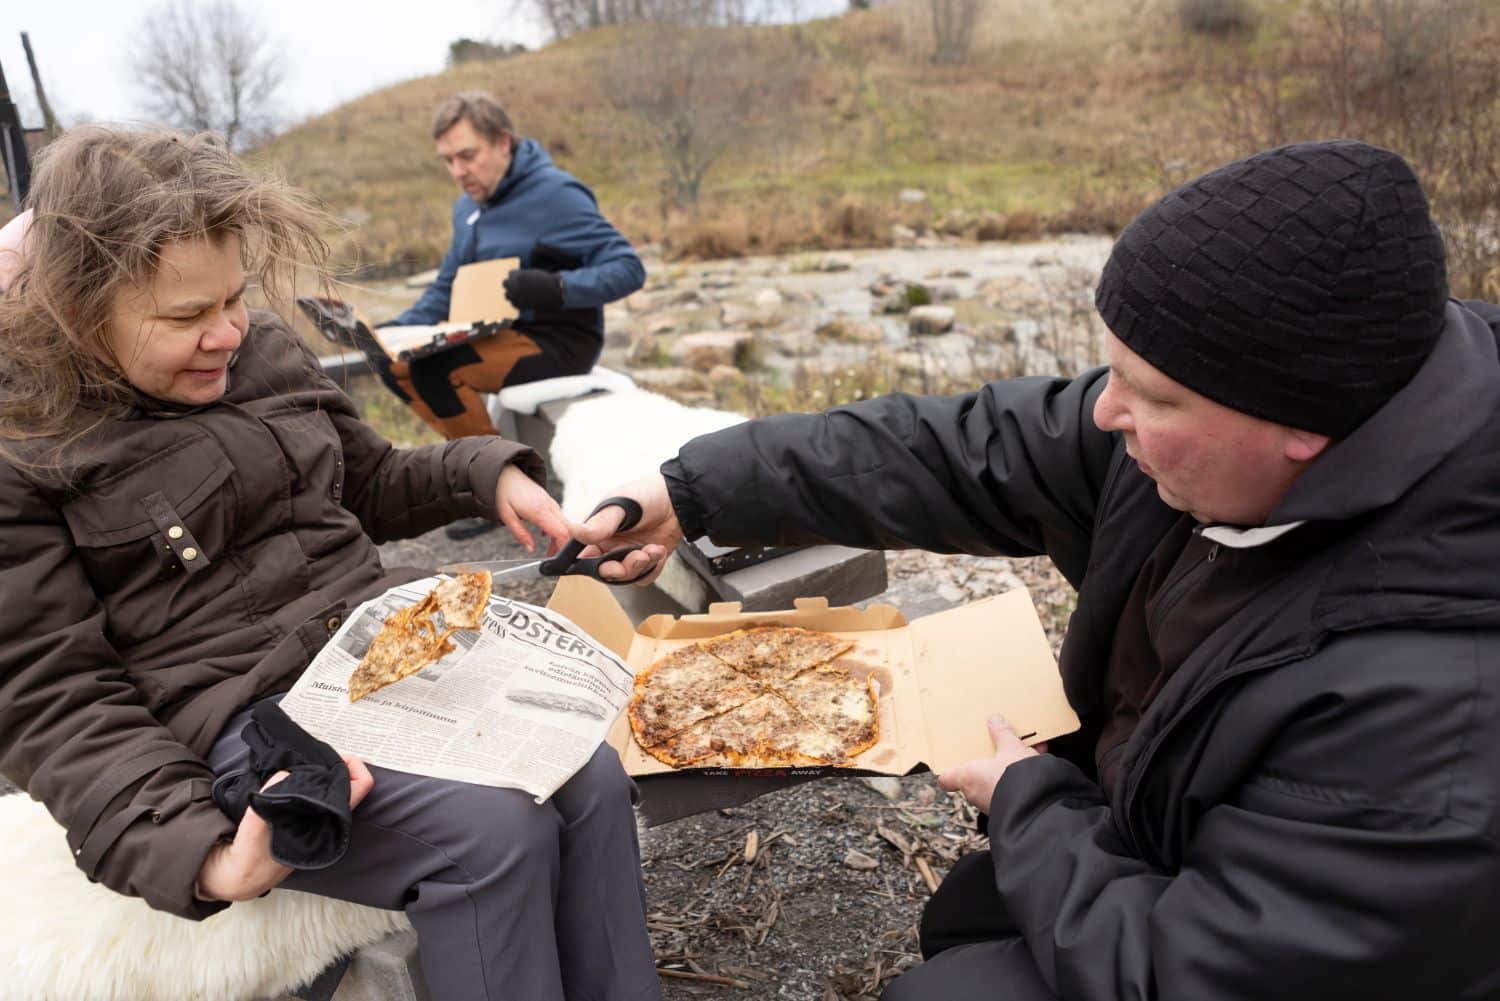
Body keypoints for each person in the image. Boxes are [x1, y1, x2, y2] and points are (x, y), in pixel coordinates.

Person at [572, 139, 1500, 998]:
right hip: (1147, 840)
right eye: (1112, 372)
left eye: (1151, 393)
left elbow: (1192, 972)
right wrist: (694, 488)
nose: (1105, 413)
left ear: (1304, 429)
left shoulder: (1438, 708)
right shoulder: (1215, 425)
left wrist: (1029, 802)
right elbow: (960, 449)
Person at [0, 126, 662, 1001]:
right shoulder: (28, 443)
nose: (226, 332)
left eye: (233, 297)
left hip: (378, 657)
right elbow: (51, 694)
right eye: (187, 316)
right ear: (82, 312)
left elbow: (365, 478)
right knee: (491, 834)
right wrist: (201, 852)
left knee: (589, 771)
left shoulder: (262, 351)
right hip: (244, 723)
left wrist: (485, 472)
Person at [380, 91, 644, 441]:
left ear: (503, 142)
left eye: (467, 156)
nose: (458, 172)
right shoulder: (467, 208)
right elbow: (448, 286)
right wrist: (394, 331)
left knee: (437, 370)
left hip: (556, 342)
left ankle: (496, 477)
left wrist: (558, 288)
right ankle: (472, 464)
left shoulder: (556, 195)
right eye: (448, 161)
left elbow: (627, 268)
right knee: (391, 365)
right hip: (491, 334)